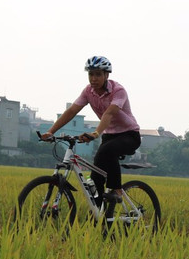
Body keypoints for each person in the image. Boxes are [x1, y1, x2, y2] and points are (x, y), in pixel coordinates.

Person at [41, 56, 141, 203]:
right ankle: (98, 216)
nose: (94, 78)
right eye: (91, 74)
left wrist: (95, 133)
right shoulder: (88, 91)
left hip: (129, 135)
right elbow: (71, 111)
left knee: (106, 152)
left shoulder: (118, 91)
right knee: (96, 178)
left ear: (107, 75)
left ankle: (117, 190)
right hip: (108, 135)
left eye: (98, 74)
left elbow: (109, 113)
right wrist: (51, 131)